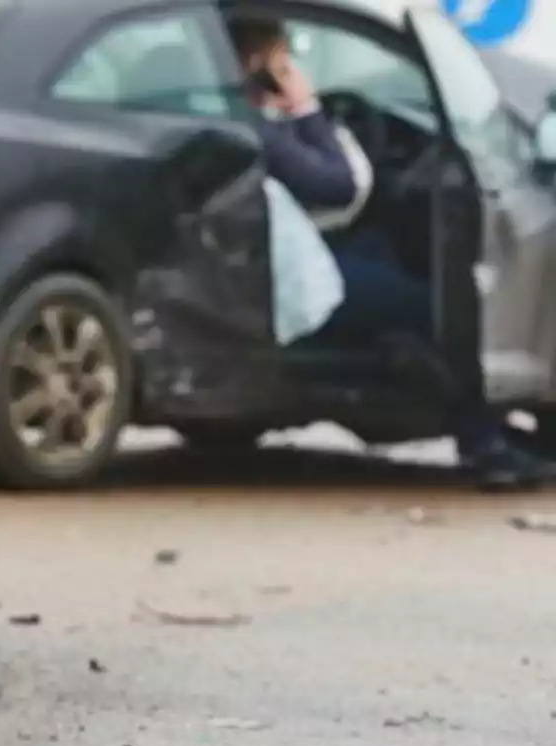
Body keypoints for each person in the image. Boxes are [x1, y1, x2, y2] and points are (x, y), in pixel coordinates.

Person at [227, 17, 554, 491]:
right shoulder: (254, 128)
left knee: (378, 247)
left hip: (272, 255)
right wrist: (306, 108)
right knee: (437, 307)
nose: (290, 69)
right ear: (256, 65)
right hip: (280, 275)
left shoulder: (227, 117)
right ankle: (481, 440)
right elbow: (337, 185)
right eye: (282, 62)